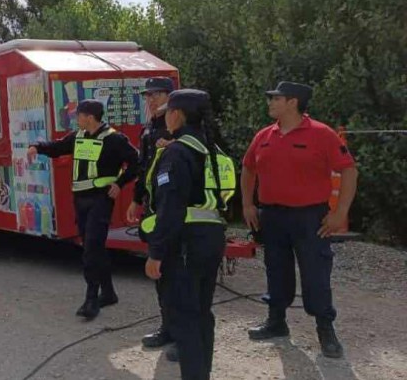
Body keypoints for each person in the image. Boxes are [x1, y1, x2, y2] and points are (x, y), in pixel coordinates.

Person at [242, 81, 357, 359]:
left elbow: (350, 171)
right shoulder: (264, 136)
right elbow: (248, 169)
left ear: (293, 102)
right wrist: (247, 204)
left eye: (275, 98)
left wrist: (340, 212)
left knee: (316, 273)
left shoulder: (322, 134)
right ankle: (276, 321)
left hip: (309, 217)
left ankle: (325, 329)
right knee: (276, 269)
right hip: (272, 215)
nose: (269, 102)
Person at [142, 89, 236, 380]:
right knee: (201, 314)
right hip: (212, 238)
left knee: (184, 318)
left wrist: (156, 252)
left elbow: (170, 207)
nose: (164, 115)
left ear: (177, 115)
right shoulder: (215, 152)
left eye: (168, 110)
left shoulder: (177, 152)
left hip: (184, 243)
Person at [27, 100, 139, 320]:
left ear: (89, 117)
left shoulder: (114, 139)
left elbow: (136, 161)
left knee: (91, 249)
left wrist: (120, 183)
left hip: (101, 199)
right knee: (94, 247)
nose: (76, 119)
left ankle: (91, 299)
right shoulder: (78, 137)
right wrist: (37, 147)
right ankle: (108, 293)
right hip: (81, 200)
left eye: (78, 115)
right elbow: (57, 147)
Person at [125, 77, 175, 355]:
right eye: (148, 95)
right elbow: (144, 168)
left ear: (170, 96)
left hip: (176, 209)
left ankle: (184, 335)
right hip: (154, 207)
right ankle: (167, 327)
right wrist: (135, 199)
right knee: (161, 273)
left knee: (177, 272)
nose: (151, 99)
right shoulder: (149, 129)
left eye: (157, 94)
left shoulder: (178, 127)